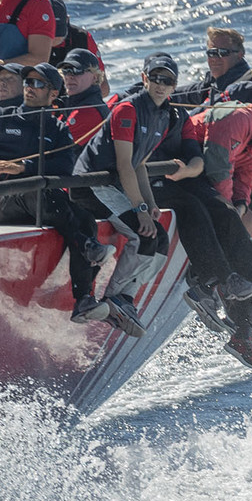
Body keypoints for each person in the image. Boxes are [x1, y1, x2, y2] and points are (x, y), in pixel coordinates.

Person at [0, 63, 111, 326]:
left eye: (38, 84)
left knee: (84, 216)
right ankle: (85, 245)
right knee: (43, 195)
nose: (29, 88)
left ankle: (83, 300)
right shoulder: (2, 117)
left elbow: (66, 167)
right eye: (27, 83)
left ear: (53, 94)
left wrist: (25, 167)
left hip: (35, 200)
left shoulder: (57, 129)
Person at [171, 93, 252, 369]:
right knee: (229, 219)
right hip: (187, 156)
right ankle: (212, 284)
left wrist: (240, 205)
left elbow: (245, 178)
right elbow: (218, 170)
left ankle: (242, 331)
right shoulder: (238, 118)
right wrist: (230, 211)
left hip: (210, 175)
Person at [71, 53, 189, 332]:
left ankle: (125, 298)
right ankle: (112, 299)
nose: (161, 85)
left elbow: (140, 165)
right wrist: (140, 210)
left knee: (159, 240)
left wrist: (149, 204)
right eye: (156, 78)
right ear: (144, 78)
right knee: (143, 235)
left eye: (168, 80)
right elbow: (124, 164)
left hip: (116, 185)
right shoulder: (128, 109)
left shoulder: (164, 116)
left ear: (174, 85)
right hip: (93, 183)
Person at [170, 26, 249, 108]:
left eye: (222, 52)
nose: (214, 58)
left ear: (239, 55)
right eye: (211, 52)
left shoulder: (247, 87)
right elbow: (180, 95)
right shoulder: (213, 84)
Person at [55, 49, 109, 152]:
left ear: (95, 77)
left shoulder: (88, 111)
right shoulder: (71, 105)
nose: (70, 76)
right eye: (66, 71)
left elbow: (53, 145)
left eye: (77, 71)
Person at [46, 0, 106, 74]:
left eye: (58, 29)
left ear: (67, 20)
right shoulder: (29, 39)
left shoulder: (82, 38)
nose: (54, 37)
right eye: (49, 30)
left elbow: (99, 75)